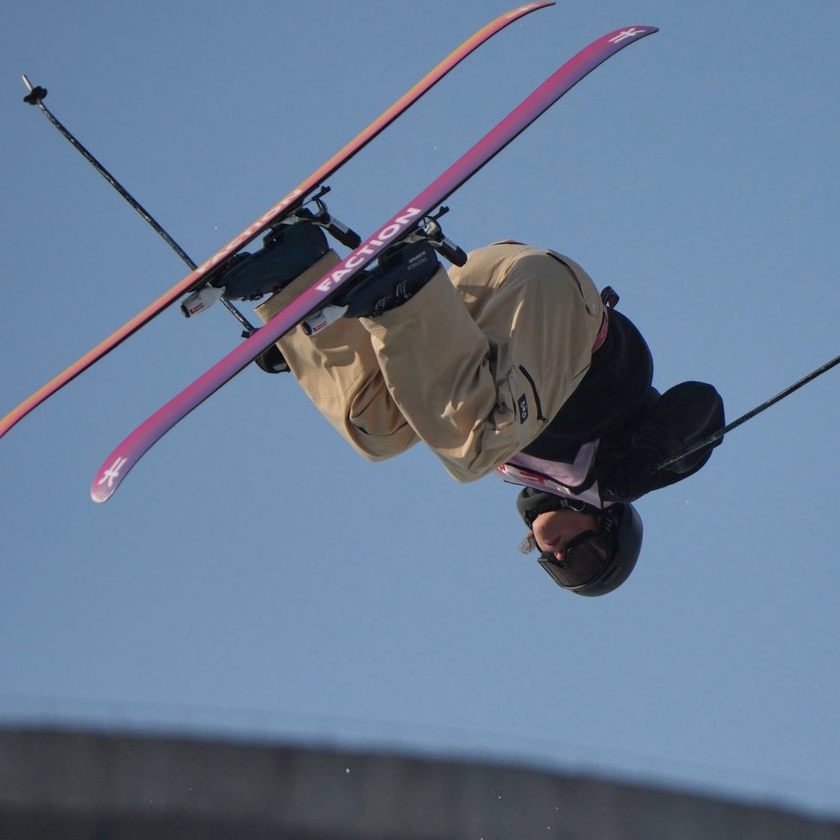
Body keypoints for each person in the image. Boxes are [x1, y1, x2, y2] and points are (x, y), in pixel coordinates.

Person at [213, 220, 725, 596]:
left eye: (558, 567)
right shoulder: (620, 471)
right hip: (555, 305)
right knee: (471, 449)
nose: (561, 552)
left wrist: (313, 350)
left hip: (468, 298)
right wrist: (647, 463)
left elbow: (430, 383)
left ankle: (297, 280)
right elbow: (701, 403)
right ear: (609, 526)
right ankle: (403, 291)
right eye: (585, 556)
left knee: (381, 432)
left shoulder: (516, 458)